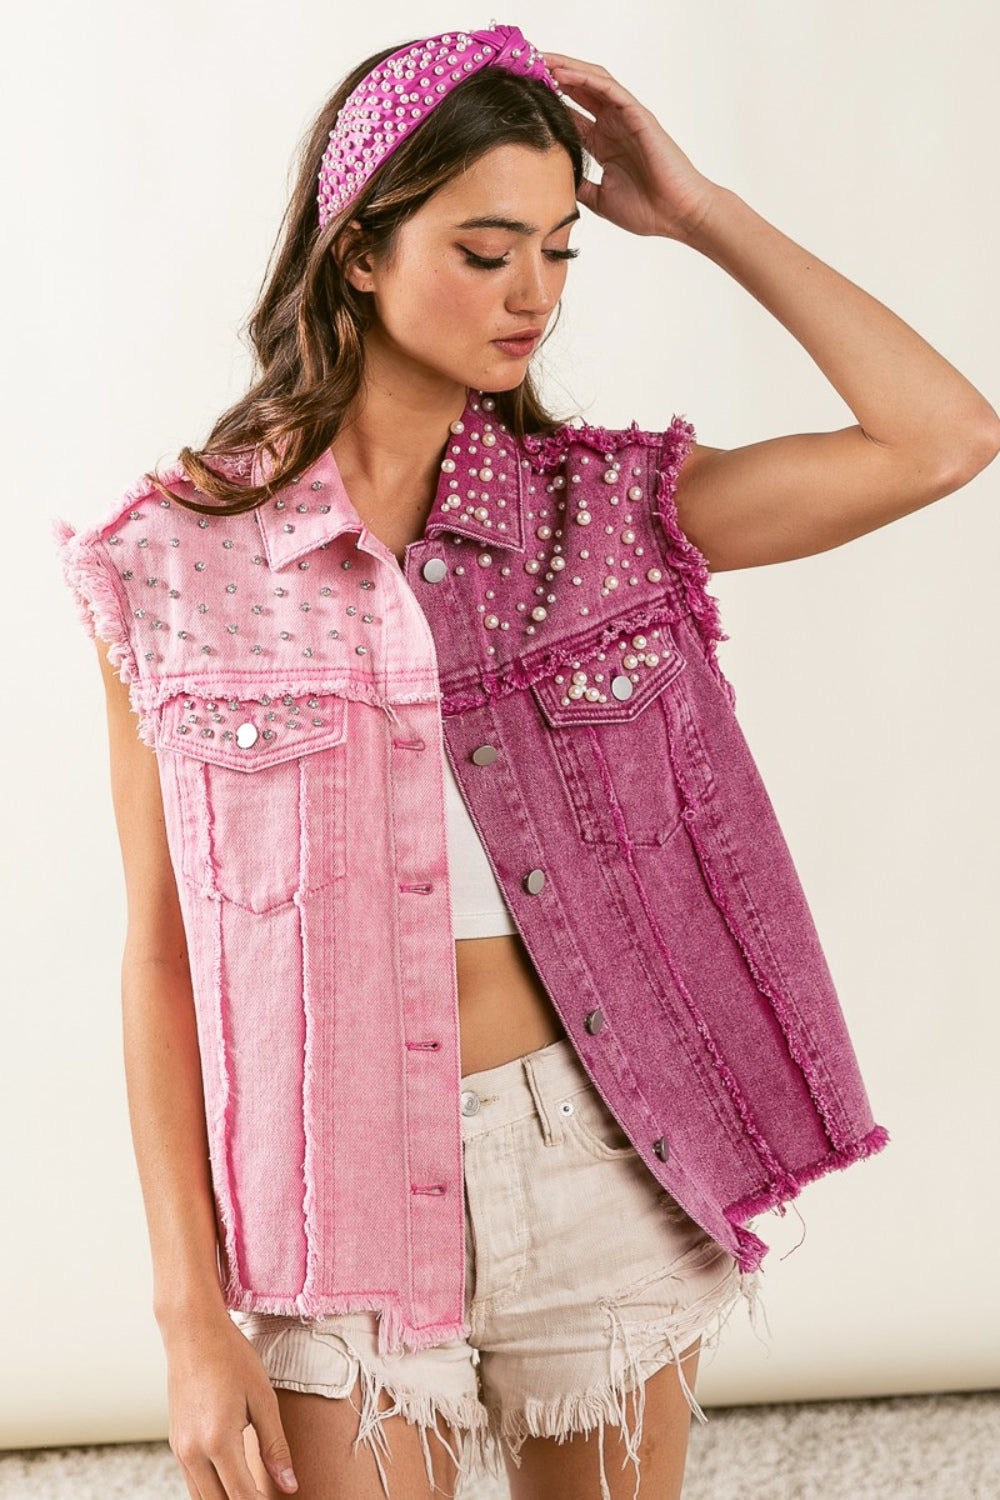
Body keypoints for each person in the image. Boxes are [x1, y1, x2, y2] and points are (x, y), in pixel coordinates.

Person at [52, 22, 999, 1500]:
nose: (535, 294)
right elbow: (162, 956)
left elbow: (940, 439)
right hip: (327, 1187)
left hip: (592, 1156)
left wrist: (697, 212)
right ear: (357, 255)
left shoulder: (608, 515)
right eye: (486, 250)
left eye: (560, 250)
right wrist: (187, 1311)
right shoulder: (173, 563)